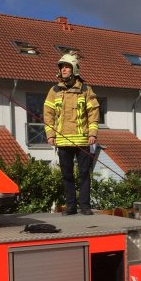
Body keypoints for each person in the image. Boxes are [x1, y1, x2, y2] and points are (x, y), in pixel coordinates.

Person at [43, 53, 100, 215]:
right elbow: (48, 114)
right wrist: (50, 134)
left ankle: (85, 206)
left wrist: (93, 133)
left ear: (74, 69)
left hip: (82, 140)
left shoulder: (85, 90)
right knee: (66, 175)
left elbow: (93, 113)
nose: (64, 70)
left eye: (67, 67)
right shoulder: (54, 91)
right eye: (62, 67)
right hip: (62, 141)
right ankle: (71, 206)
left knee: (84, 174)